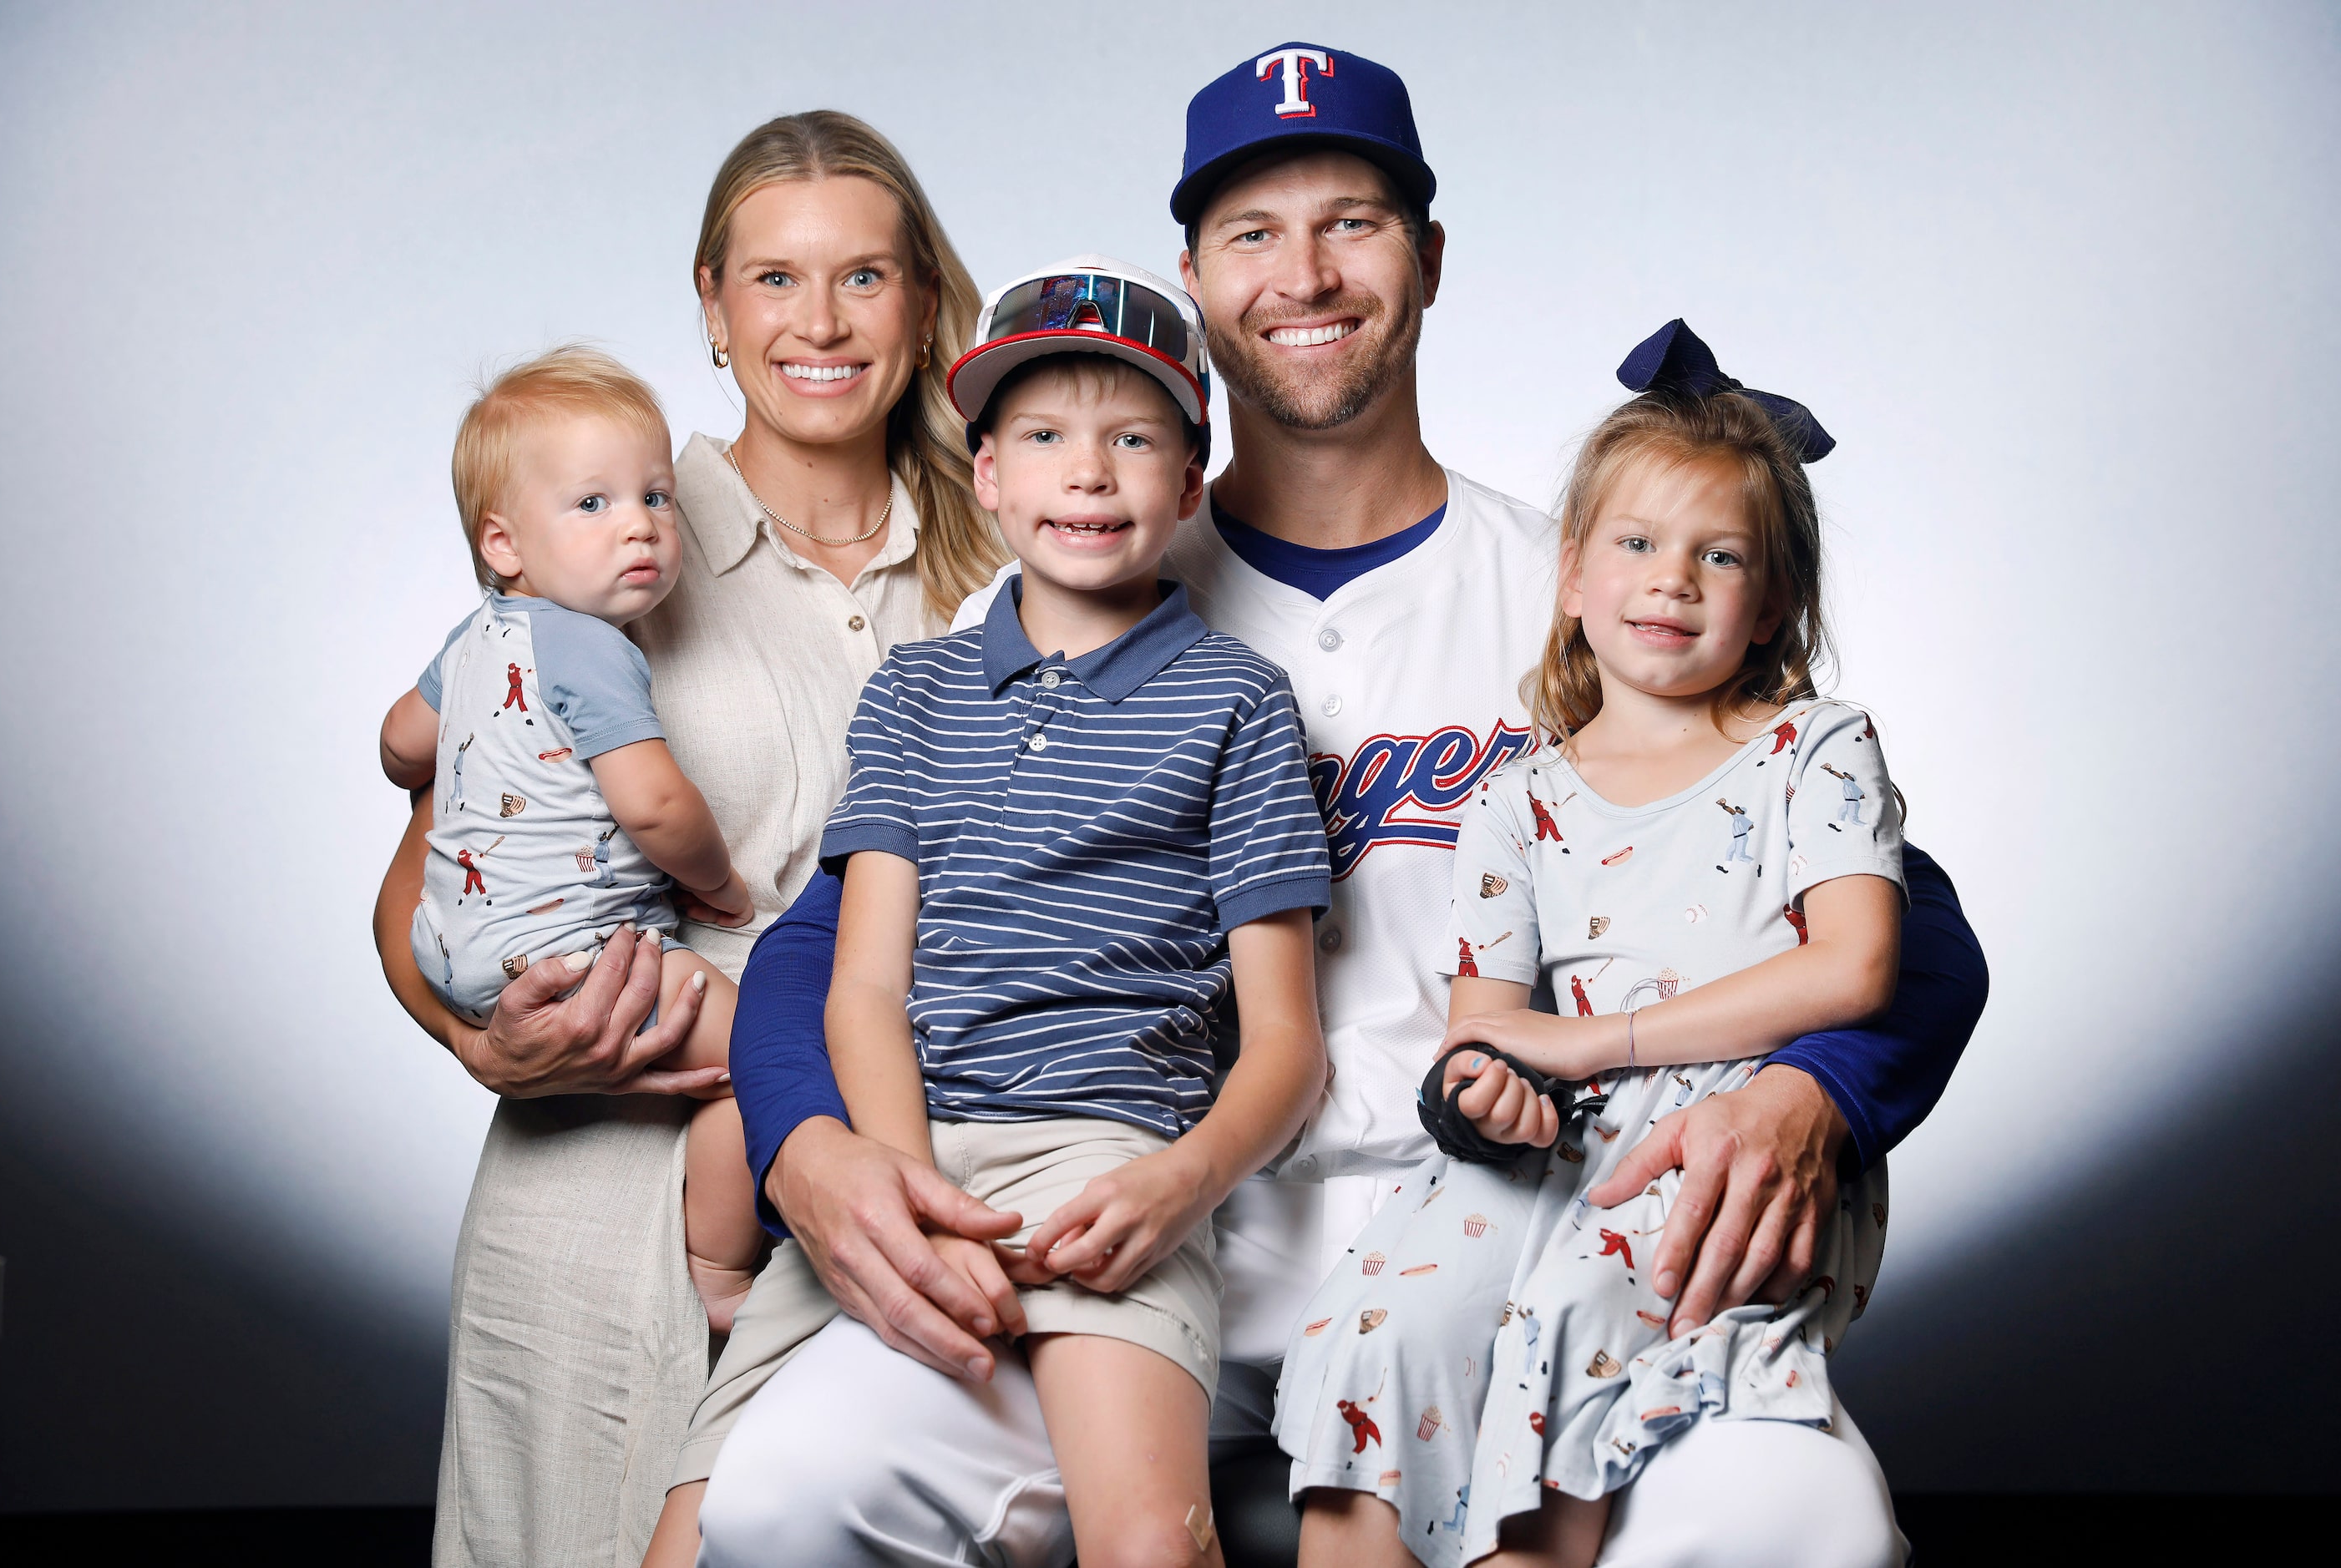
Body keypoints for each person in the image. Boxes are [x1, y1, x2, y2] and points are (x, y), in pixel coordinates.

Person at [697, 43, 1987, 1568]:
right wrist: (808, 1147)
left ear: (1429, 258)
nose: (1302, 273)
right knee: (789, 1491)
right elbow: (828, 943)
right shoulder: (1074, 589)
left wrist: (1813, 1088)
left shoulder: (1586, 587)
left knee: (1802, 1527)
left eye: (1352, 221)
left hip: (1526, 1249)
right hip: (1121, 1246)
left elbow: (1905, 916)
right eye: (1251, 232)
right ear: (1192, 273)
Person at [371, 109, 1006, 1568]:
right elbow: (426, 868)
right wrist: (477, 1041)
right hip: (615, 1201)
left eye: (864, 275)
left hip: (930, 1185)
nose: (821, 320)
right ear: (712, 305)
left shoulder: (1025, 529)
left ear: (922, 304)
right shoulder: (612, 521)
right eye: (774, 279)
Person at [1279, 321, 1903, 1567]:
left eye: (1716, 556)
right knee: (1381, 1324)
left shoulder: (1812, 752)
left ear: (1772, 599)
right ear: (1570, 574)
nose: (1670, 580)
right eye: (1635, 543)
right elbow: (1480, 1030)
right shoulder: (1516, 799)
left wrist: (1587, 1039)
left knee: (1561, 1326)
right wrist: (1490, 1091)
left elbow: (1854, 966)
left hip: (1716, 1142)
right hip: (1554, 1146)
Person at [810, 255, 1334, 1565]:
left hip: (1108, 1159)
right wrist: (909, 1185)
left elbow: (1286, 1042)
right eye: (1041, 437)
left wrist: (1177, 1182)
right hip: (917, 1148)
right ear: (986, 473)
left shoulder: (1238, 700)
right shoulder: (913, 695)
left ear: (1189, 481)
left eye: (1133, 438)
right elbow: (866, 986)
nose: (1087, 473)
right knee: (723, 1513)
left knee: (1149, 1542)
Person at [377, 346, 761, 1333]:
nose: (639, 524)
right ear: (503, 543)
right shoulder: (592, 647)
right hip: (574, 961)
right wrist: (718, 887)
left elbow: (395, 744)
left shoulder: (473, 640)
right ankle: (717, 1265)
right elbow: (655, 809)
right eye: (592, 504)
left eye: (657, 497)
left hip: (451, 950)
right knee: (769, 1050)